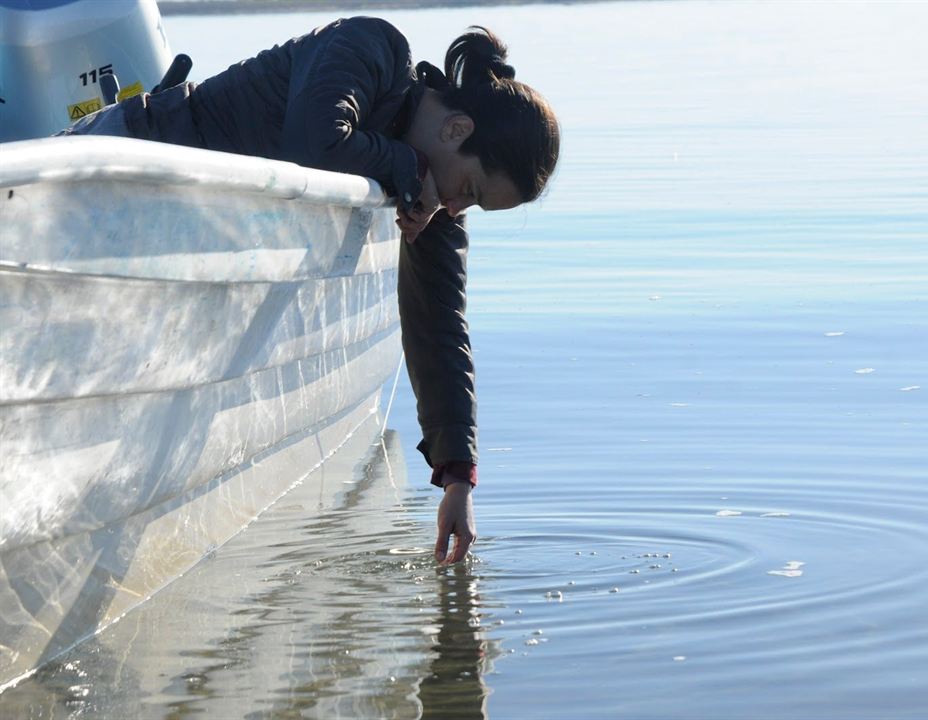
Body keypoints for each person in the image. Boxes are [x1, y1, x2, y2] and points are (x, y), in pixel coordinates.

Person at [60, 17, 561, 565]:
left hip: (164, 242)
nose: (455, 208)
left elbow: (441, 324)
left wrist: (458, 481)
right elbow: (313, 145)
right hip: (111, 170)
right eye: (469, 191)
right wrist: (408, 166)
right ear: (455, 131)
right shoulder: (373, 49)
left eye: (471, 207)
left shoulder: (429, 193)